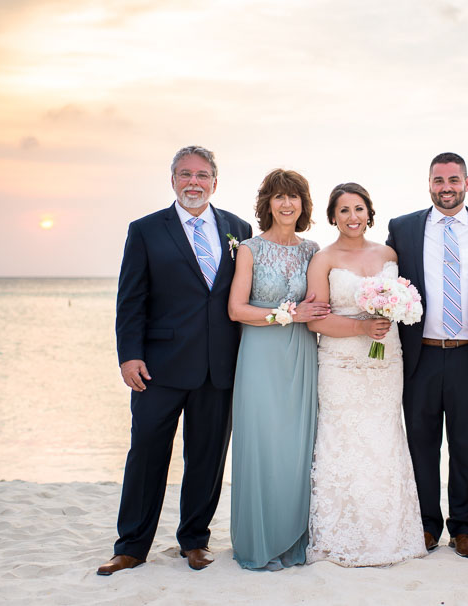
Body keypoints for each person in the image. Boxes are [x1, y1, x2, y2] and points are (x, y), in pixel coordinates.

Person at [98, 145, 252, 575]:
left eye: (202, 175)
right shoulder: (146, 230)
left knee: (207, 457)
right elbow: (131, 299)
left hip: (218, 368)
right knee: (146, 454)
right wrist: (129, 356)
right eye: (185, 174)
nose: (193, 182)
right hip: (158, 368)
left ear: (214, 183)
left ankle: (194, 541)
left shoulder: (238, 229)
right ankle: (131, 546)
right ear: (172, 181)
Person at [386, 153, 468, 558]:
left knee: (465, 446)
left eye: (453, 180)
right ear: (429, 183)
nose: (446, 187)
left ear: (466, 182)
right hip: (419, 355)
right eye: (439, 180)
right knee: (421, 445)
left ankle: (463, 528)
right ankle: (427, 525)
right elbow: (386, 280)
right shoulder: (403, 228)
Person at [304, 183, 425, 567]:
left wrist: (393, 312)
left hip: (387, 360)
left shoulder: (389, 253)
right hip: (341, 363)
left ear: (369, 213)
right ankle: (340, 533)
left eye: (359, 209)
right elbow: (315, 322)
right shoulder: (323, 259)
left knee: (384, 437)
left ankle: (389, 532)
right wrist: (360, 328)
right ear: (333, 216)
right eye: (344, 210)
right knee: (343, 440)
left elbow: (404, 299)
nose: (352, 217)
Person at [227, 168, 330, 571]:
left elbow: (319, 306)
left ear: (303, 205)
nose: (287, 204)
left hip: (302, 355)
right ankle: (260, 539)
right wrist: (286, 315)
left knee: (297, 449)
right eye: (279, 196)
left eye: (294, 197)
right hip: (260, 356)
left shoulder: (313, 250)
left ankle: (292, 539)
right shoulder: (249, 248)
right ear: (267, 203)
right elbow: (237, 309)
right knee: (262, 445)